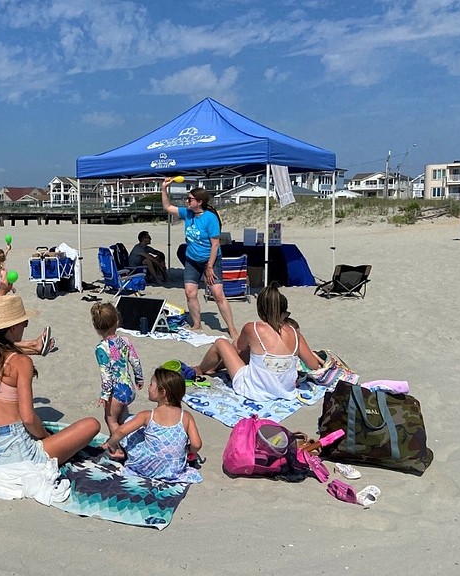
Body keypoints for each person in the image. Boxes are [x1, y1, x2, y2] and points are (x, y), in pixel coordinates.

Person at [0, 295, 100, 500]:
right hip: (17, 455)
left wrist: (0, 294)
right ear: (12, 327)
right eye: (24, 322)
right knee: (91, 425)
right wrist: (47, 438)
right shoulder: (21, 362)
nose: (26, 325)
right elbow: (28, 418)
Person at [194, 283, 322, 402]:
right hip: (285, 391)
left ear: (260, 309)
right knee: (253, 351)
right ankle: (213, 367)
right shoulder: (294, 332)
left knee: (221, 342)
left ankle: (199, 370)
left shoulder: (253, 328)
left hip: (254, 390)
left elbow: (238, 347)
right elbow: (313, 365)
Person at [161, 180, 238, 339]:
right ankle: (197, 324)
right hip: (192, 260)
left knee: (218, 294)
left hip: (211, 259)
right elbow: (167, 207)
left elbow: (215, 244)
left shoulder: (210, 218)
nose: (186, 201)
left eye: (189, 199)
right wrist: (164, 188)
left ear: (199, 202)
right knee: (190, 293)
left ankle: (232, 329)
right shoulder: (187, 213)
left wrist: (209, 267)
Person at [103, 367, 202, 484]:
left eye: (151, 385)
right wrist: (190, 451)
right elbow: (197, 444)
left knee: (130, 424)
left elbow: (121, 431)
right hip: (173, 470)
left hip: (146, 467)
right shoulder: (185, 416)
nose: (149, 388)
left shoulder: (148, 415)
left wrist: (111, 443)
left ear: (163, 392)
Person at [90, 302, 143, 436]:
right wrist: (139, 378)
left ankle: (117, 447)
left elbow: (106, 373)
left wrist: (105, 394)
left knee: (111, 420)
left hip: (117, 392)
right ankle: (126, 440)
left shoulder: (101, 349)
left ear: (96, 327)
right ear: (117, 321)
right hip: (129, 388)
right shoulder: (125, 341)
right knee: (121, 418)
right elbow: (135, 361)